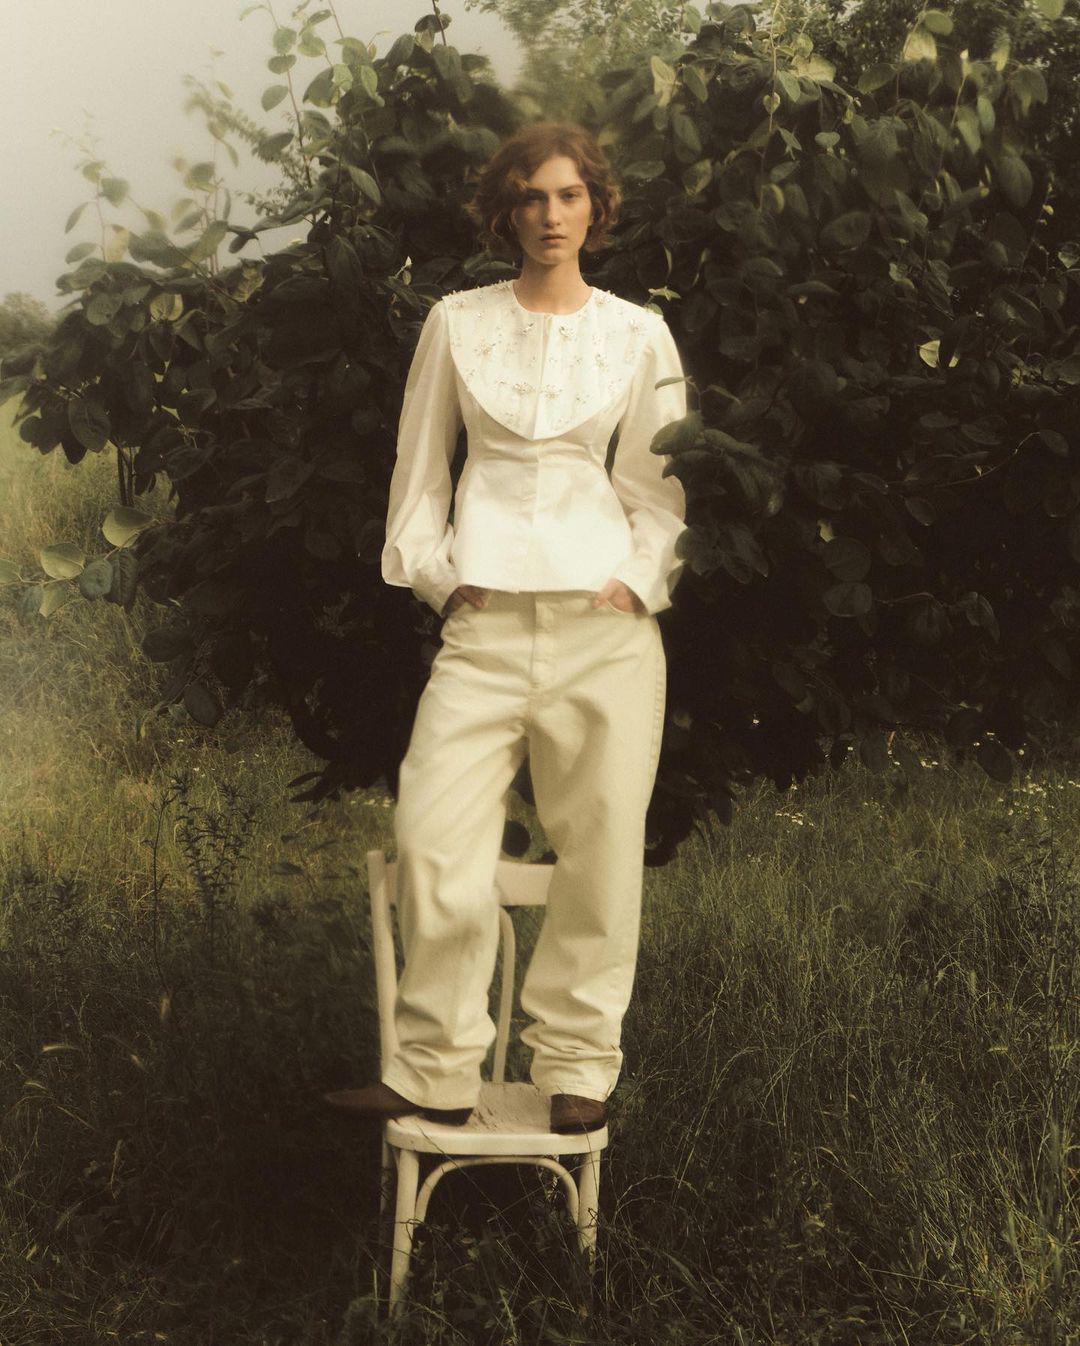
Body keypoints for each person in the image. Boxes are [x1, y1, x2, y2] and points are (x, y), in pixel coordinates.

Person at [326, 121, 688, 1134]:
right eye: (532, 196)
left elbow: (660, 490)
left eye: (569, 195)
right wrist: (440, 580)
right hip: (482, 630)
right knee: (432, 837)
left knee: (601, 848)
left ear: (596, 208)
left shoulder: (637, 334)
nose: (551, 216)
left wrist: (633, 584)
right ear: (506, 211)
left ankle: (575, 1064)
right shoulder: (457, 322)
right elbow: (419, 477)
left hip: (602, 629)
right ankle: (435, 1067)